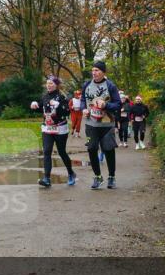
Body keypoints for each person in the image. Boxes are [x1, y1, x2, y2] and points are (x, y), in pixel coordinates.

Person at [80, 60, 121, 190]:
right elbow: (83, 99)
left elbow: (118, 104)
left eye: (97, 70)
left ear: (103, 72)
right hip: (91, 124)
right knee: (91, 149)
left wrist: (106, 105)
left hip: (106, 124)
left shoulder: (110, 86)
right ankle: (97, 177)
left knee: (108, 150)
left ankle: (111, 177)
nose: (94, 72)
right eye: (93, 70)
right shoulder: (87, 84)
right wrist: (83, 109)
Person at [30, 76, 77, 188]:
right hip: (47, 128)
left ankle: (71, 173)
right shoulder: (45, 96)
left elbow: (67, 112)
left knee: (62, 152)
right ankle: (47, 178)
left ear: (56, 85)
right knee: (47, 151)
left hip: (60, 128)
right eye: (47, 83)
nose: (48, 85)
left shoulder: (62, 97)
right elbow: (41, 107)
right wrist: (34, 105)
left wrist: (58, 105)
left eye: (51, 83)